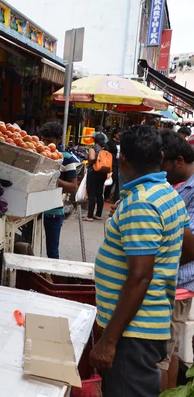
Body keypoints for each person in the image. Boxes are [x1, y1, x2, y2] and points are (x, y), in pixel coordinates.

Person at [89, 125, 191, 397]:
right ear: (160, 156)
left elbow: (140, 276)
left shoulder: (142, 203)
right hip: (144, 324)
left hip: (133, 331)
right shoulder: (166, 193)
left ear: (123, 159)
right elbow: (186, 244)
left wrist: (109, 341)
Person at [157, 130, 194, 391]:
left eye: (163, 166)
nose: (161, 172)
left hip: (175, 285)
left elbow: (189, 247)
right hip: (173, 283)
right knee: (168, 354)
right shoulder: (177, 184)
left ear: (178, 161)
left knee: (158, 357)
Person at [40, 122, 78, 259]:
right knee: (29, 248)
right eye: (43, 140)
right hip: (34, 212)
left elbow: (74, 188)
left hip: (54, 212)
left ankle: (52, 279)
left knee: (52, 252)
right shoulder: (39, 153)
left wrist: (54, 180)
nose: (45, 143)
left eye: (49, 141)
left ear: (59, 140)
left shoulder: (66, 158)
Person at [83, 133, 108, 221]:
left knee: (92, 193)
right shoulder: (106, 148)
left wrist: (89, 163)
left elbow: (92, 158)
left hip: (94, 172)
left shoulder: (93, 148)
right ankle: (98, 214)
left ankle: (89, 216)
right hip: (103, 172)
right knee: (99, 193)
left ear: (95, 140)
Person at [104, 128, 122, 202]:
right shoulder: (110, 143)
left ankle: (116, 198)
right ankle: (106, 195)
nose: (120, 136)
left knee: (119, 181)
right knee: (112, 179)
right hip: (112, 163)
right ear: (115, 134)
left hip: (120, 163)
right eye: (118, 134)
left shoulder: (122, 143)